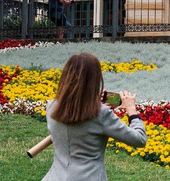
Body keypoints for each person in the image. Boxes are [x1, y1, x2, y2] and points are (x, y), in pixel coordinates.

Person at [43, 53, 146, 181]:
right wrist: (132, 111)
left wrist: (93, 103)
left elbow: (75, 117)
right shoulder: (101, 114)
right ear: (94, 81)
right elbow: (139, 139)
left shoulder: (51, 106)